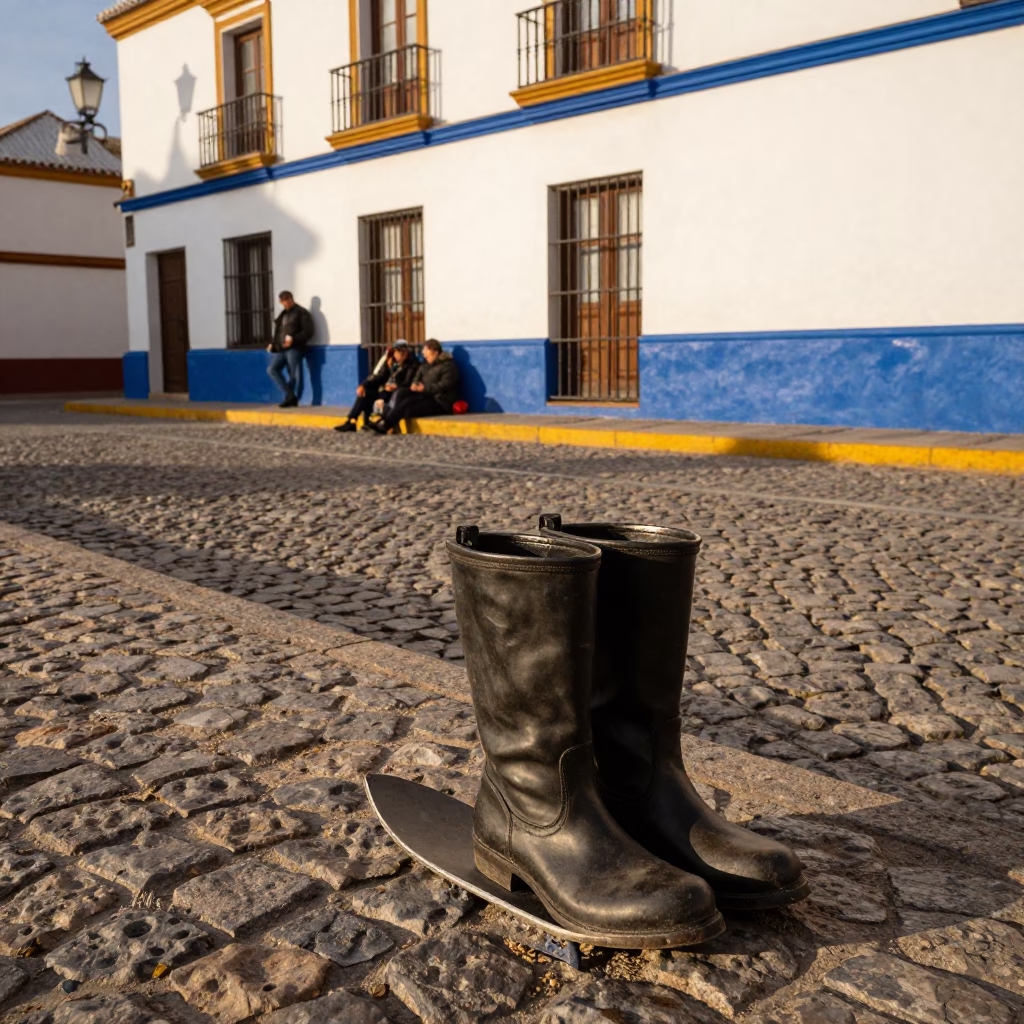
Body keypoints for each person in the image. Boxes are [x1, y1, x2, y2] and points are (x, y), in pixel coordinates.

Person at [367, 338, 460, 434]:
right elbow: (417, 377)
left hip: (439, 401)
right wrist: (415, 385)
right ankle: (383, 421)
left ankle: (385, 425)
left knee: (407, 407)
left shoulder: (448, 366)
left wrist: (424, 388)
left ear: (433, 351)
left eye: (425, 350)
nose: (423, 353)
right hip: (424, 395)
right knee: (402, 394)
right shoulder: (425, 365)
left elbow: (445, 385)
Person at [334, 341, 419, 432]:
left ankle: (371, 423)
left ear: (406, 353)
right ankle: (351, 421)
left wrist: (395, 386)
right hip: (384, 391)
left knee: (382, 397)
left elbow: (408, 382)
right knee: (365, 392)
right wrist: (363, 384)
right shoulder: (390, 363)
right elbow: (378, 376)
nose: (399, 355)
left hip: (395, 393)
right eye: (397, 352)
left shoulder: (412, 365)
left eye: (402, 352)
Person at [267, 291, 314, 408]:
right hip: (282, 348)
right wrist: (273, 344)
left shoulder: (301, 313)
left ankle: (292, 398)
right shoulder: (282, 315)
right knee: (272, 369)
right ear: (281, 302)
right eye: (284, 301)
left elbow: (308, 331)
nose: (286, 303)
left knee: (294, 375)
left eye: (288, 300)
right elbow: (278, 332)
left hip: (295, 348)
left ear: (292, 299)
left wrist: (294, 339)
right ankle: (290, 395)